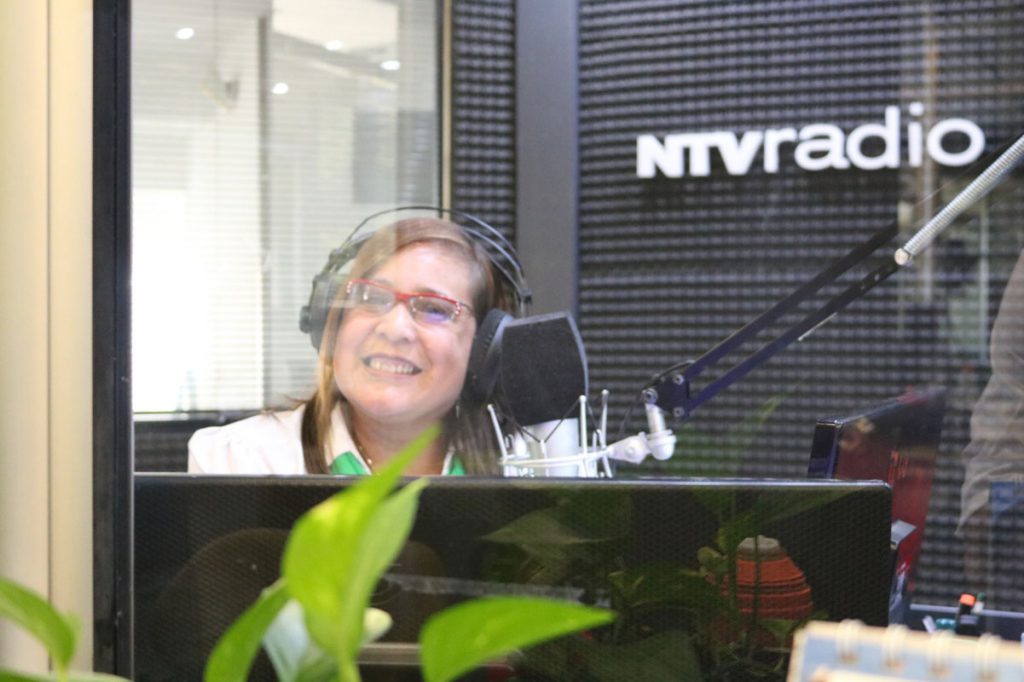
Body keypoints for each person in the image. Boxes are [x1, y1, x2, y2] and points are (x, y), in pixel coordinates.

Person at [188, 214, 521, 476]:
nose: (394, 329)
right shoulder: (242, 460)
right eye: (371, 297)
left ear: (485, 347)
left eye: (434, 308)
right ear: (330, 322)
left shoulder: (530, 465)